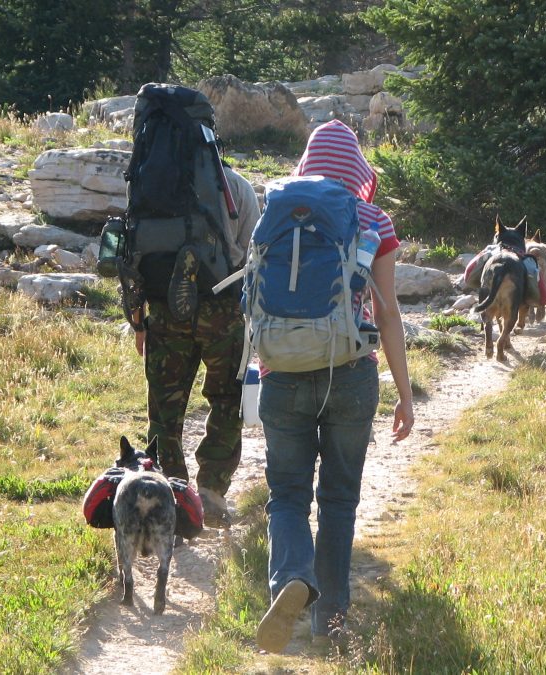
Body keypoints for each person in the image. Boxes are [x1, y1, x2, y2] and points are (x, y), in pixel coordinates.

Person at [255, 120, 415, 653]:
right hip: (350, 372)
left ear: (305, 161)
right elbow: (387, 314)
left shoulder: (277, 208)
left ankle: (291, 580)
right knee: (340, 499)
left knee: (286, 494)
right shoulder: (372, 218)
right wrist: (405, 397)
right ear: (357, 168)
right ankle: (333, 620)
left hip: (282, 372)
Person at [133, 163, 261, 529]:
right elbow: (254, 254)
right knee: (227, 398)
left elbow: (134, 248)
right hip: (222, 307)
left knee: (164, 408)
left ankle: (171, 494)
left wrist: (139, 318)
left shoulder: (150, 179)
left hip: (164, 306)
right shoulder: (235, 185)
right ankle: (210, 492)